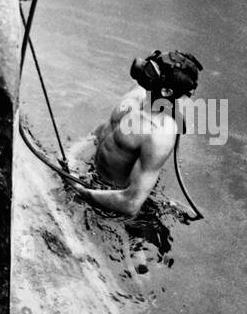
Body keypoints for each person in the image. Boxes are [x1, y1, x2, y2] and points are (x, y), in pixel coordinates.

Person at [64, 50, 203, 217]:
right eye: (150, 63)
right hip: (87, 175)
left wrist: (82, 191)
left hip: (108, 200)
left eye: (151, 70)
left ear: (166, 91)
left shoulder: (159, 134)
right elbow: (100, 131)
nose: (143, 69)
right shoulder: (138, 92)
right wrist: (70, 157)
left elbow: (130, 203)